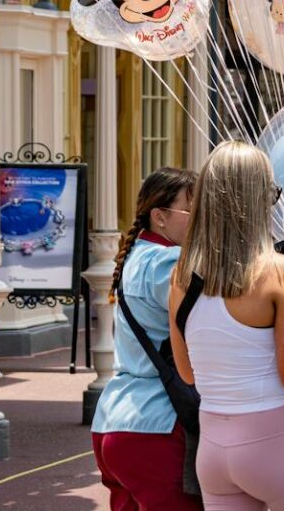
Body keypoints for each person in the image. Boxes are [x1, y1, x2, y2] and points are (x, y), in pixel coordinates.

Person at [169, 142, 284, 511]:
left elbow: (187, 372)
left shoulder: (182, 276)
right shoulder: (279, 272)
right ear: (259, 200)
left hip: (214, 447)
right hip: (277, 439)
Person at [92, 167, 200, 511]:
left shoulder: (138, 255)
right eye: (193, 211)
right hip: (156, 423)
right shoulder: (168, 262)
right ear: (160, 217)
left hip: (113, 417)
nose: (202, 221)